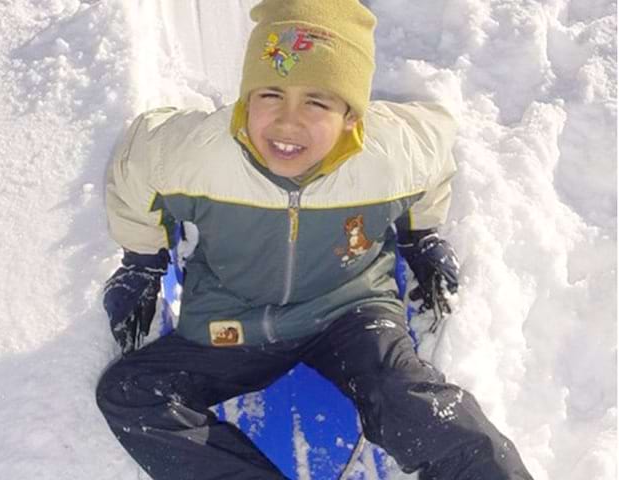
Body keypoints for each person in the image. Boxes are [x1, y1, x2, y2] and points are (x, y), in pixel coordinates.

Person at [96, 1, 535, 478]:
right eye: (269, 95)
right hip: (233, 317)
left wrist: (421, 234)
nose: (287, 122)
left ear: (351, 115)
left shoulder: (388, 154)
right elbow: (134, 166)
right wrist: (143, 259)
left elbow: (437, 154)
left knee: (415, 403)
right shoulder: (200, 153)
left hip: (349, 312)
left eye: (317, 102)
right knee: (132, 393)